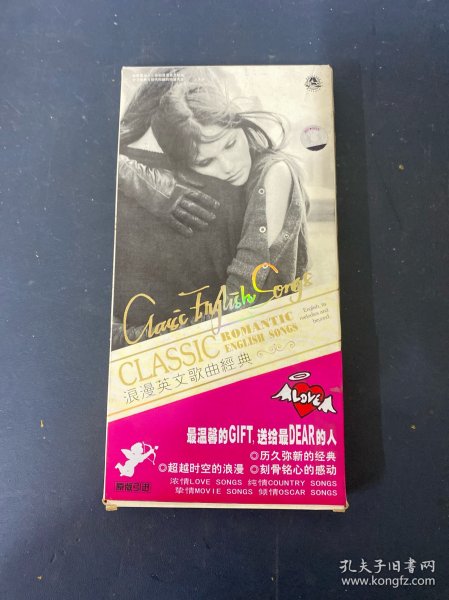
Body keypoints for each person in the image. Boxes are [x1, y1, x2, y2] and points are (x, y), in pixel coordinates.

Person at [112, 67, 309, 348]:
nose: (228, 166)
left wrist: (128, 338)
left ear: (240, 124)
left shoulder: (274, 173)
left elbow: (240, 307)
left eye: (230, 144)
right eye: (205, 162)